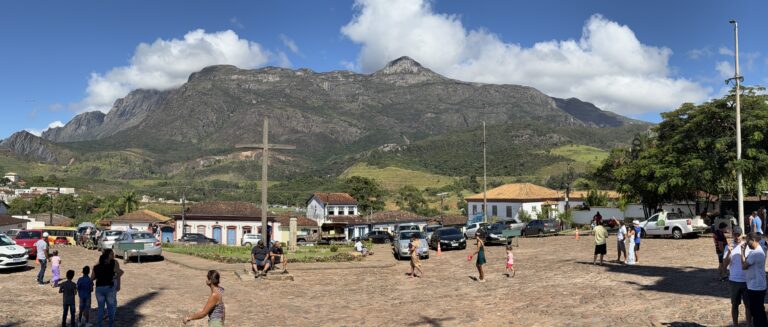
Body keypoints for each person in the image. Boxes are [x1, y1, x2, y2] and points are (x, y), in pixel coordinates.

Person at [723, 227, 751, 326]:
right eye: (735, 234)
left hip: (747, 280)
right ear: (732, 234)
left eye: (738, 234)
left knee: (748, 305)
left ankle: (748, 324)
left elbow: (750, 263)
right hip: (734, 280)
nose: (737, 237)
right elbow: (724, 265)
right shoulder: (728, 246)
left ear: (741, 234)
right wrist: (729, 253)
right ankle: (735, 325)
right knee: (735, 305)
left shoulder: (747, 246)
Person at [741, 233, 767, 327]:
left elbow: (744, 266)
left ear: (753, 240)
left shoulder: (755, 253)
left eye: (748, 241)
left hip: (755, 287)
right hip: (758, 285)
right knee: (759, 311)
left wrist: (742, 252)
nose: (747, 243)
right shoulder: (760, 250)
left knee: (756, 313)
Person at [91, 249, 123, 327]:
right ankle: (111, 324)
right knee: (111, 307)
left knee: (100, 308)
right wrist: (115, 277)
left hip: (99, 289)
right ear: (106, 258)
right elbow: (121, 272)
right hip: (109, 288)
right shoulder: (111, 265)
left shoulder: (96, 267)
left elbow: (92, 278)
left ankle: (99, 325)